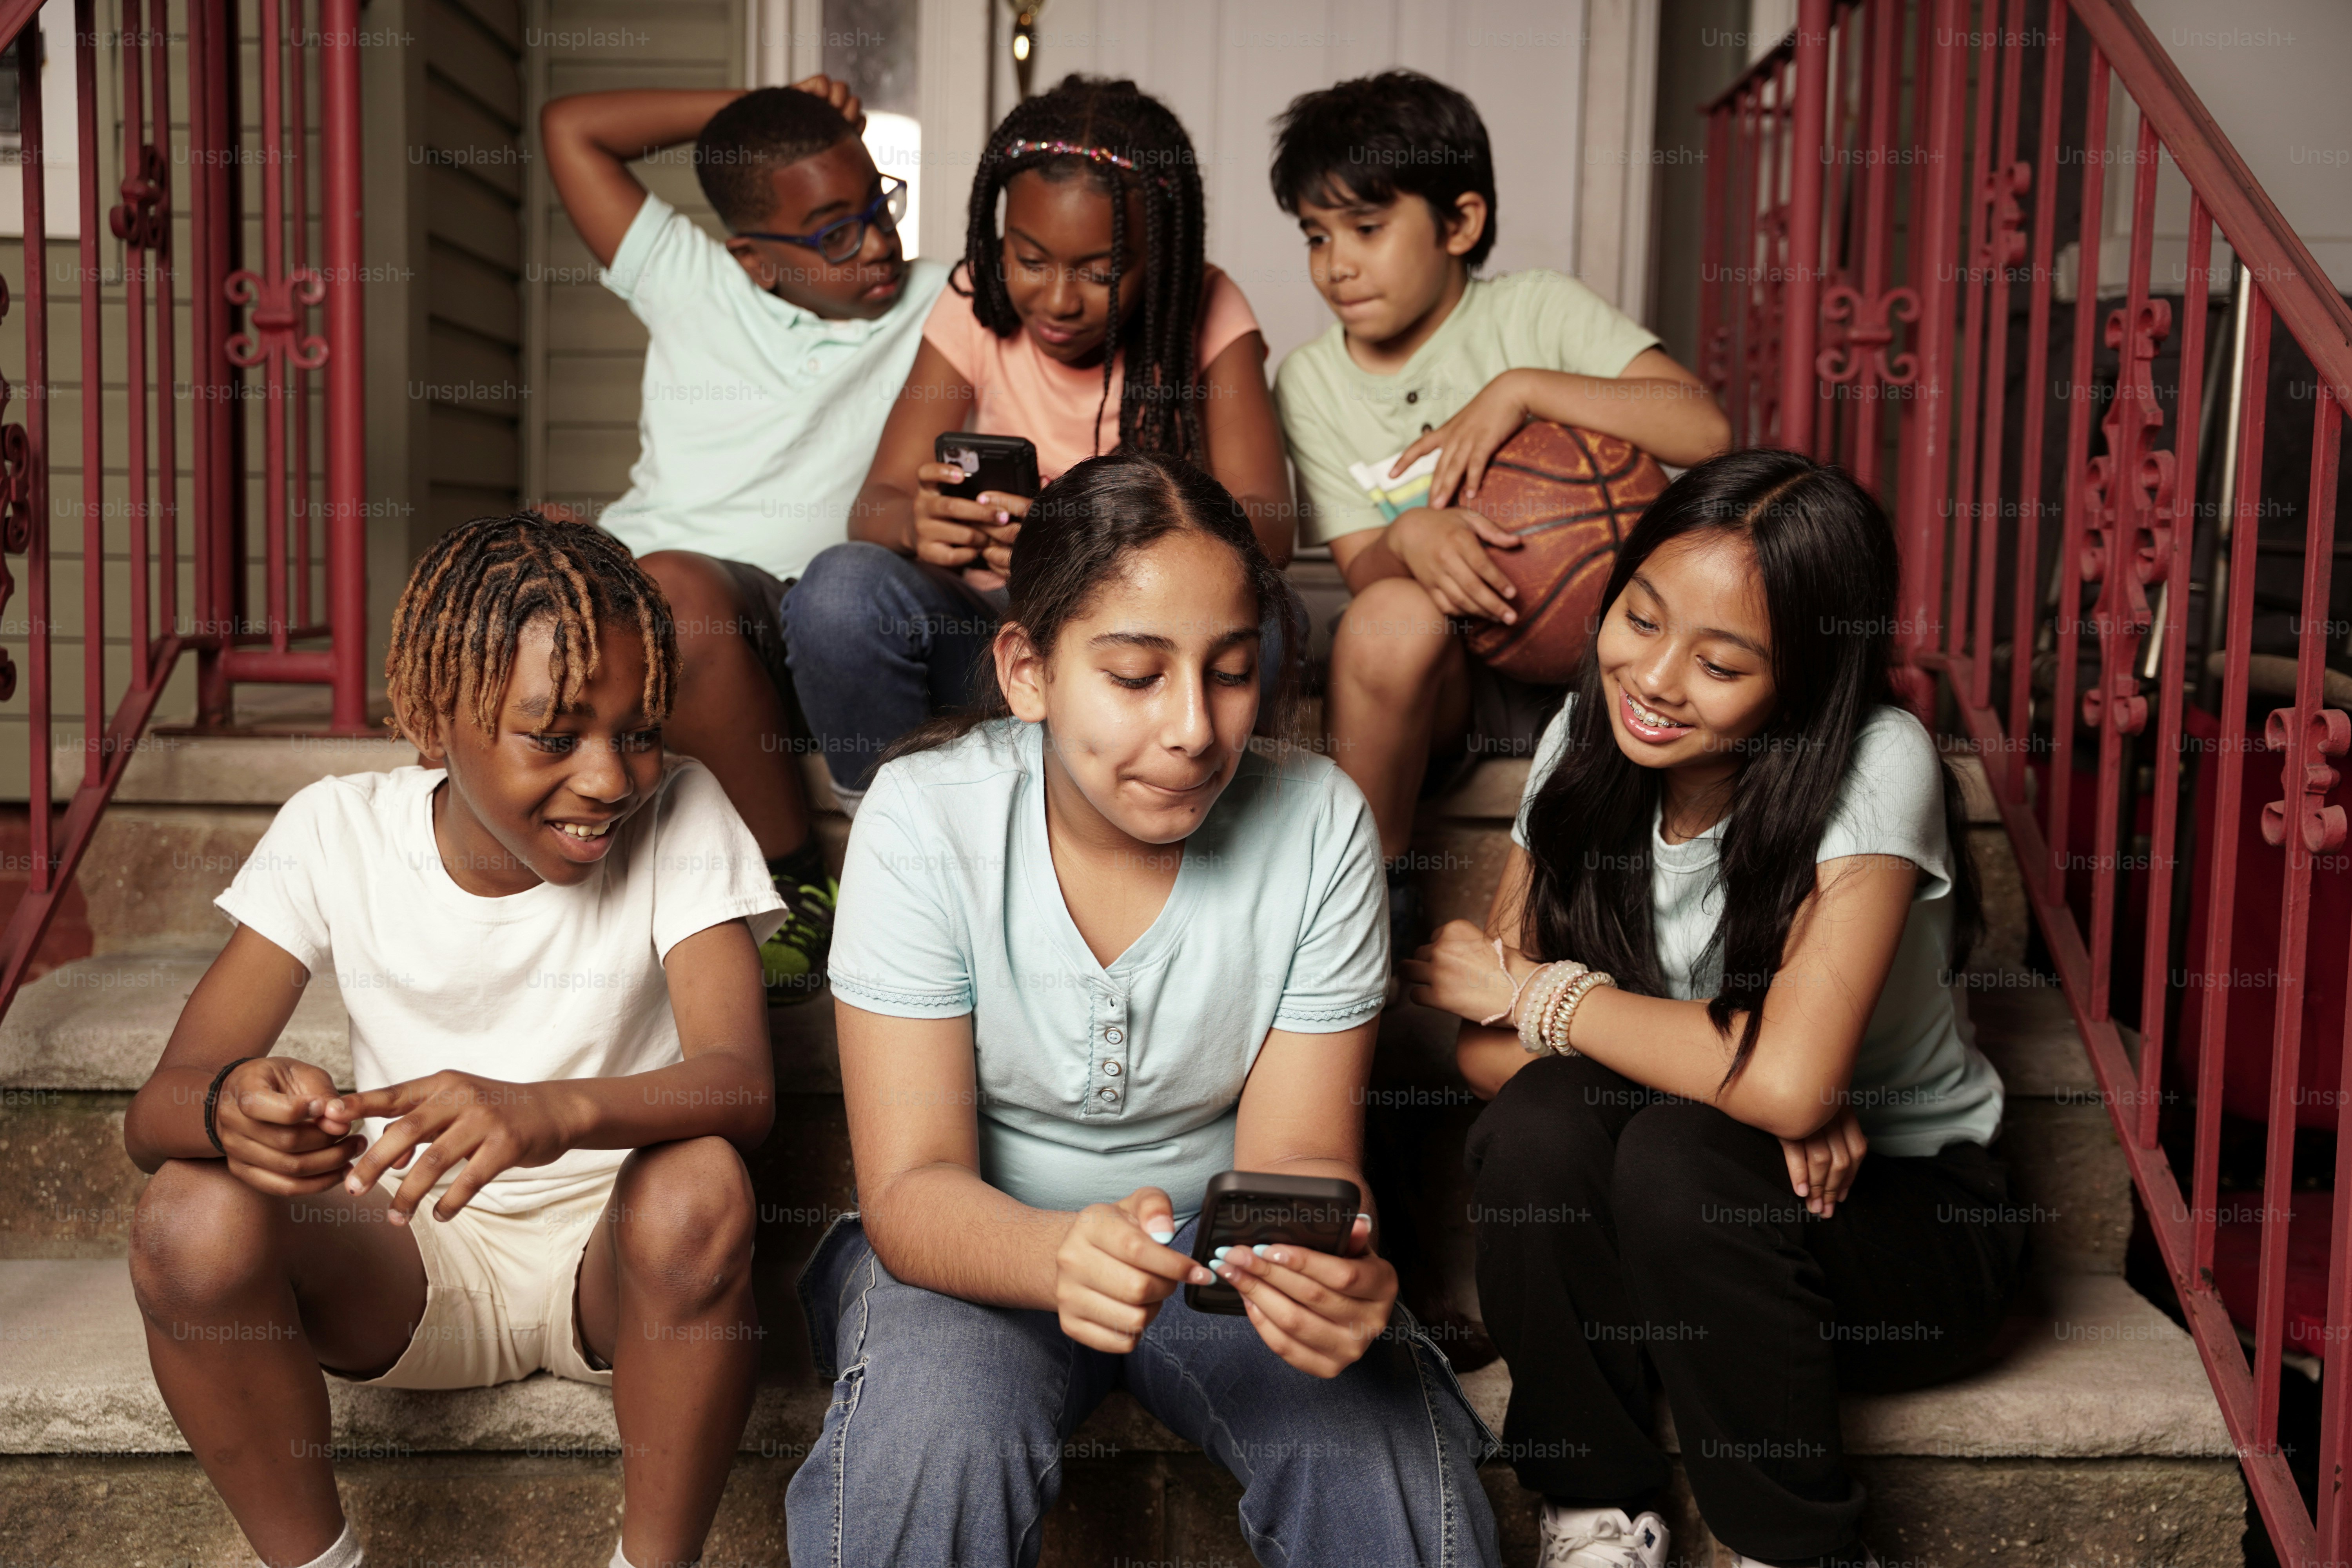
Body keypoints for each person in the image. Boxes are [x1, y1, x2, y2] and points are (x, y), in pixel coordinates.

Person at [786, 452, 1499, 1568]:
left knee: (1374, 1458)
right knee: (933, 1444)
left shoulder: (1317, 825)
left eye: (1230, 671)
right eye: (1134, 675)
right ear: (1027, 670)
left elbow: (1299, 1157)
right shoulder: (926, 821)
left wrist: (1327, 1270)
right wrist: (1063, 1251)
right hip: (971, 1255)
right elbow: (911, 1191)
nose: (1194, 730)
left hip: (1222, 1258)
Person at [123, 515, 786, 1568]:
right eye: (554, 735)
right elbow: (158, 1112)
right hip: (407, 1261)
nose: (613, 779)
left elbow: (741, 1087)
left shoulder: (686, 812)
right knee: (185, 1217)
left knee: (702, 1186)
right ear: (436, 722)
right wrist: (237, 1109)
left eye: (639, 729)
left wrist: (551, 1112)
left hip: (612, 1269)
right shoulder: (336, 830)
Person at [1402, 450, 2024, 1568]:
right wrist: (1745, 1082)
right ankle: (1594, 1514)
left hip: (1907, 1226)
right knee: (1552, 1131)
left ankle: (1800, 1549)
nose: (1655, 678)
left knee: (1681, 1154)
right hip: (1681, 1219)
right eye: (1640, 619)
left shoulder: (1877, 762)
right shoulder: (1582, 737)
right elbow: (1491, 1061)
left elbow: (1771, 1079)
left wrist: (1570, 1006)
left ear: (1805, 679)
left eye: (1722, 662)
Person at [1267, 69, 1733, 959]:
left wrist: (1521, 390)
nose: (1337, 263)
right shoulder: (1310, 379)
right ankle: (1367, 894)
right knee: (1389, 617)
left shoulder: (1537, 311)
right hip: (1458, 682)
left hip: (1611, 669)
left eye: (1367, 228)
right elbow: (1369, 577)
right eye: (1316, 236)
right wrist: (1407, 531)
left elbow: (1706, 428)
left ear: (1462, 222)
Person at [541, 73, 949, 1000]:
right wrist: (756, 104)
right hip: (635, 598)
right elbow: (573, 125)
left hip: (792, 619)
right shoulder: (691, 280)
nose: (879, 244)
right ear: (755, 260)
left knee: (668, 595)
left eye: (881, 206)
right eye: (836, 230)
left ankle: (796, 886)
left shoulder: (941, 303)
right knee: (548, 571)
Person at [784, 75, 1293, 813]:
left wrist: (1079, 537)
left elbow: (1269, 526)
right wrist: (915, 522)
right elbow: (877, 506)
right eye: (1030, 260)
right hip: (995, 638)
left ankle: (1181, 837)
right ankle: (895, 841)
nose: (1057, 300)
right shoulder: (973, 298)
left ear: (1163, 259)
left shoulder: (1206, 305)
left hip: (1145, 652)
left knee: (1269, 624)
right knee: (837, 591)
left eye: (1099, 272)